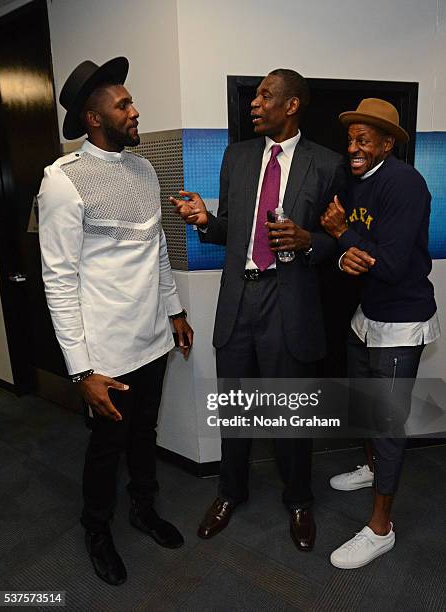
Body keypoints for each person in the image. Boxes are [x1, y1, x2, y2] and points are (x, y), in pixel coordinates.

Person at [171, 69, 346, 551]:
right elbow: (232, 227)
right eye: (255, 95)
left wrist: (311, 240)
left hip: (289, 300)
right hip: (239, 298)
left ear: (292, 105)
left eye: (266, 96)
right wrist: (207, 221)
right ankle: (230, 492)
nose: (255, 103)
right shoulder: (238, 155)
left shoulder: (327, 164)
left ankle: (298, 500)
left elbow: (341, 240)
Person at [38, 57, 193, 586]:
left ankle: (143, 509)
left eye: (131, 101)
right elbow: (58, 281)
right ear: (93, 117)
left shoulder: (144, 169)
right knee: (107, 447)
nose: (135, 110)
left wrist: (174, 311)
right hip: (105, 352)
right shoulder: (63, 183)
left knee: (145, 433)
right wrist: (81, 371)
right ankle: (96, 527)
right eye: (123, 104)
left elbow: (158, 248)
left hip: (152, 337)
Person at [321, 98, 440, 569]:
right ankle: (372, 469)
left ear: (387, 144)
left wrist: (344, 235)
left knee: (388, 425)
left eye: (364, 139)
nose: (354, 146)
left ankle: (381, 529)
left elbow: (387, 263)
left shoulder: (405, 184)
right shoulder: (356, 181)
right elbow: (353, 250)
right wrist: (343, 250)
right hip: (367, 315)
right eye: (351, 138)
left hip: (401, 320)